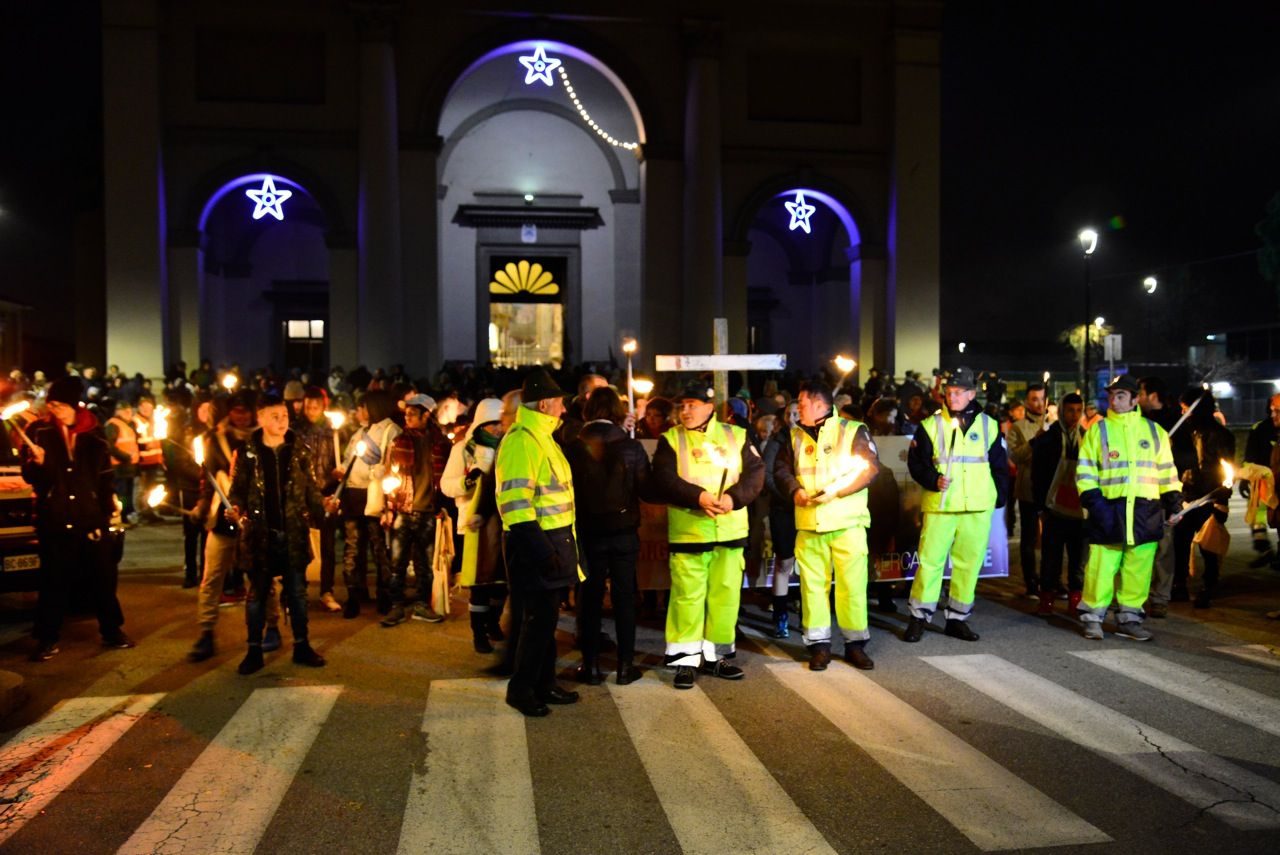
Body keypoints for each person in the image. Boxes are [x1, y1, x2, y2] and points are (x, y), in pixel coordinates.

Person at [650, 377, 764, 690]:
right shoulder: (671, 439)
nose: (684, 410)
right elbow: (662, 478)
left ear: (708, 408)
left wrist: (732, 498)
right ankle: (685, 660)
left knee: (725, 595)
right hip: (690, 532)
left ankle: (718, 656)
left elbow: (756, 473)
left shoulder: (736, 435)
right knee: (687, 597)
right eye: (681, 405)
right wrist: (698, 497)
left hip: (729, 530)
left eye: (691, 405)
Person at [772, 380, 881, 671]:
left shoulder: (852, 430)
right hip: (810, 524)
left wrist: (837, 492)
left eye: (802, 403)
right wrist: (795, 490)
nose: (797, 409)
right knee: (812, 588)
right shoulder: (794, 436)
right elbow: (781, 469)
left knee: (852, 587)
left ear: (820, 404)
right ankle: (819, 647)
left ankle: (855, 645)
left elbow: (870, 467)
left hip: (847, 523)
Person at [22, 377, 133, 661]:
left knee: (102, 578)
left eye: (60, 405)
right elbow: (33, 479)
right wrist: (38, 463)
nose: (55, 410)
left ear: (74, 406)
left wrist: (106, 516)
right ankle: (47, 638)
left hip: (90, 517)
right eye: (52, 405)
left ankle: (112, 630)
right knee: (53, 581)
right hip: (56, 518)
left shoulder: (94, 435)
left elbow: (105, 479)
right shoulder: (39, 431)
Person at [495, 368, 581, 717]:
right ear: (545, 403)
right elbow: (515, 505)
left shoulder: (543, 437)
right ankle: (522, 689)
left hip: (551, 541)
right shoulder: (522, 440)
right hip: (534, 543)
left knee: (545, 621)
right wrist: (543, 551)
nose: (563, 409)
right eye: (560, 403)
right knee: (536, 621)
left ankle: (544, 683)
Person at [903, 366, 1008, 643]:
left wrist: (997, 498)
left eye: (958, 392)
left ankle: (957, 618)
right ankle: (919, 617)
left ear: (972, 394)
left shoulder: (990, 425)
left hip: (977, 507)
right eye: (949, 393)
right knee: (930, 563)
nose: (953, 397)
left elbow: (999, 467)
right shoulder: (929, 425)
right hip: (941, 506)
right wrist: (933, 479)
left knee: (968, 565)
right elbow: (916, 464)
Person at [226, 394, 327, 674]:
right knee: (257, 595)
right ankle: (254, 651)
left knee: (297, 592)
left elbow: (311, 490)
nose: (282, 421)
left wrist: (324, 506)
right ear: (260, 418)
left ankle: (302, 645)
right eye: (275, 416)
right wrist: (235, 507)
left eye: (284, 415)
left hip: (292, 532)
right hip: (260, 535)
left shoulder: (299, 450)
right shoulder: (248, 452)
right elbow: (238, 490)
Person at [1075, 375, 1181, 641]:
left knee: (1138, 568)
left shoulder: (1155, 432)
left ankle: (1130, 619)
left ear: (1135, 399)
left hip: (1145, 511)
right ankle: (1092, 617)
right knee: (1101, 567)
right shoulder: (1097, 431)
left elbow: (1167, 472)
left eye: (1121, 395)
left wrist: (1174, 503)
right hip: (1109, 509)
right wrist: (1096, 505)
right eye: (1111, 395)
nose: (1114, 400)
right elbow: (1085, 473)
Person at [564, 386, 652, 686]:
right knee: (625, 598)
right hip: (624, 532)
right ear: (617, 412)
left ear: (588, 412)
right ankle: (626, 667)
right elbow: (647, 490)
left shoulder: (573, 447)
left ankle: (590, 667)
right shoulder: (631, 448)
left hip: (588, 533)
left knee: (588, 599)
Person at [442, 397, 509, 654]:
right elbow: (447, 485)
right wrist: (467, 483)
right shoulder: (463, 449)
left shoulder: (507, 447)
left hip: (502, 522)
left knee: (501, 582)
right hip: (474, 525)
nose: (497, 429)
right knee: (480, 584)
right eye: (492, 424)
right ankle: (478, 632)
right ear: (481, 423)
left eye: (500, 424)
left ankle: (493, 622)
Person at [381, 393, 449, 626]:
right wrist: (388, 509)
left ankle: (421, 605)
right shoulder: (400, 441)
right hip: (403, 510)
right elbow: (390, 475)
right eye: (406, 413)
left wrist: (443, 507)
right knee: (397, 563)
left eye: (412, 413)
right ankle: (396, 606)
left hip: (429, 511)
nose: (407, 417)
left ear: (426, 415)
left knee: (425, 564)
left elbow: (446, 478)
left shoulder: (440, 443)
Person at [1171, 388, 1235, 609]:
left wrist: (1222, 498)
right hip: (1189, 496)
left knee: (1208, 544)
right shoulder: (1184, 433)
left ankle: (1207, 586)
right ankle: (1180, 583)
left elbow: (1228, 468)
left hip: (1210, 496)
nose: (1183, 413)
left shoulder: (1220, 435)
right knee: (1181, 540)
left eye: (1185, 408)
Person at [339, 390, 401, 618]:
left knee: (380, 548)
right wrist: (342, 470)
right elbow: (348, 460)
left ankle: (385, 595)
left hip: (375, 497)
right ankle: (354, 595)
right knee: (353, 548)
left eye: (362, 407)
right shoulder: (359, 433)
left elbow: (392, 463)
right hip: (353, 495)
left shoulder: (390, 431)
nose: (358, 412)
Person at [1030, 392, 1087, 616]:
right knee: (1050, 558)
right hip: (1053, 508)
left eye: (1078, 411)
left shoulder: (1087, 437)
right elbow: (1038, 475)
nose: (1074, 415)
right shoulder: (1048, 438)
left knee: (1078, 559)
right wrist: (1040, 507)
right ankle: (1047, 600)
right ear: (1062, 411)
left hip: (1080, 510)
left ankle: (1075, 599)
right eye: (1070, 410)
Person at [1137, 376, 1183, 616]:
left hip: (1163, 494)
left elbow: (1181, 461)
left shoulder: (1175, 422)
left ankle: (1160, 597)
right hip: (1139, 496)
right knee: (1139, 549)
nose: (1138, 398)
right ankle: (1136, 595)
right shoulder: (1136, 421)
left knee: (1164, 549)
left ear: (1152, 395)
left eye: (1141, 393)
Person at [297, 386, 342, 612]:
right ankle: (298, 591)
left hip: (327, 492)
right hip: (303, 494)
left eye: (316, 406)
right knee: (301, 545)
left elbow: (341, 457)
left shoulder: (332, 431)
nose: (311, 410)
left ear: (324, 407)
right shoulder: (297, 430)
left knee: (328, 546)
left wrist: (338, 472)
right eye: (308, 406)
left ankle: (326, 590)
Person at [1005, 383, 1049, 597]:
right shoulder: (1018, 427)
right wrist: (1035, 441)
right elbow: (1015, 456)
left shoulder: (1054, 424)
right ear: (1026, 402)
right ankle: (1031, 581)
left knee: (1053, 538)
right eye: (1034, 399)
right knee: (1029, 538)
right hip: (1028, 489)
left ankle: (1052, 580)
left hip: (1052, 491)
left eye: (1042, 398)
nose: (1039, 403)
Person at [1243, 393, 1280, 568]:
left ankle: (1265, 549)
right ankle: (1265, 549)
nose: (1273, 415)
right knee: (1259, 516)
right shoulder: (1262, 428)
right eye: (1272, 411)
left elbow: (1250, 456)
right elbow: (1250, 456)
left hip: (1267, 481)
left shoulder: (1260, 427)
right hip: (1264, 481)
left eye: (1276, 411)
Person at [104, 399, 140, 526]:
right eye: (125, 411)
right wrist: (125, 457)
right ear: (118, 412)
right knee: (121, 494)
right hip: (119, 466)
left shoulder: (128, 425)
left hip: (128, 466)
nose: (129, 413)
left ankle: (126, 516)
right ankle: (120, 516)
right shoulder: (113, 425)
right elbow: (110, 446)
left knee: (127, 493)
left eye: (130, 411)